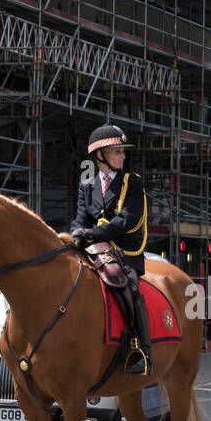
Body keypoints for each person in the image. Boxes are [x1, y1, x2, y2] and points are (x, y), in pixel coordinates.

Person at [71, 123, 152, 376]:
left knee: (130, 285)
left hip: (125, 253)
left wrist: (93, 233)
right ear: (100, 155)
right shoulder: (87, 185)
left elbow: (126, 220)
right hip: (95, 252)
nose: (123, 156)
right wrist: (76, 234)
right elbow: (80, 218)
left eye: (122, 151)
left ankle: (141, 350)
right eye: (117, 151)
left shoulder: (133, 183)